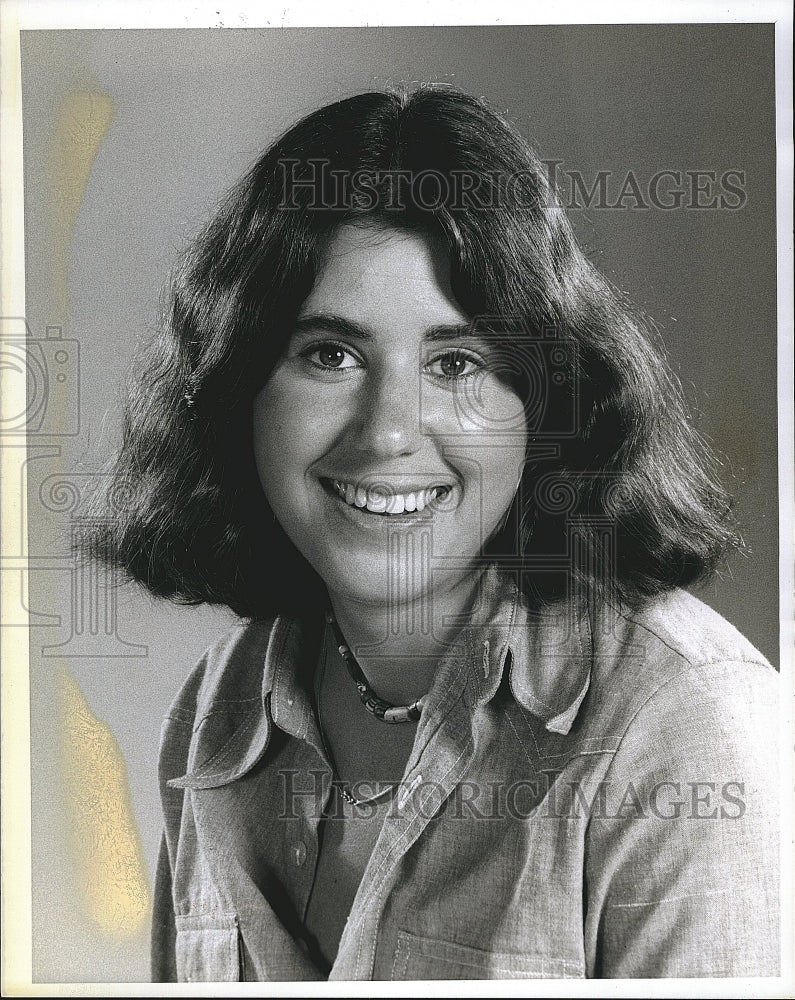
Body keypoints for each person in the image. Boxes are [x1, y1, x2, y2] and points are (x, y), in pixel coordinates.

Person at [87, 86, 780, 981]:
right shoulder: (217, 709)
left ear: (546, 404)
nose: (386, 433)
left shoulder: (682, 727)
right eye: (328, 355)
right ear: (236, 388)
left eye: (457, 363)